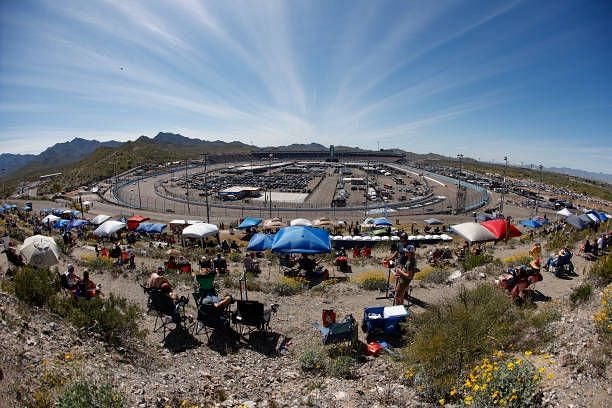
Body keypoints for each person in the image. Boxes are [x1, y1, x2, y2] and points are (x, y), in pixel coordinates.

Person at [384, 233, 416, 305]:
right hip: (399, 264)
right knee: (398, 279)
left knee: (404, 281)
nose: (400, 238)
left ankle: (403, 294)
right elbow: (396, 253)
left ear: (404, 238)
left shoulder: (409, 246)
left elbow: (412, 257)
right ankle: (399, 293)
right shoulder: (399, 244)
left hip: (405, 266)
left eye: (401, 237)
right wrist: (389, 259)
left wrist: (408, 266)